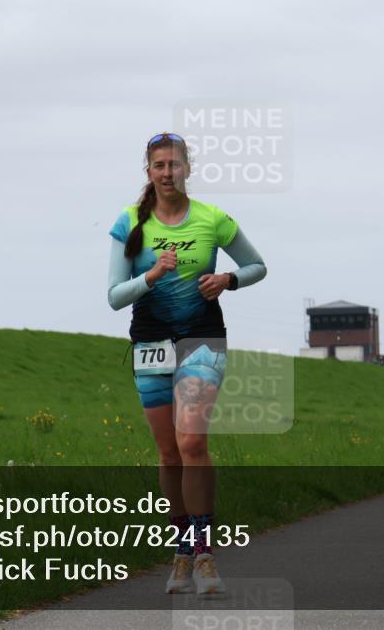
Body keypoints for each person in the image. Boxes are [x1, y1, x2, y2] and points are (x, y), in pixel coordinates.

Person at [107, 132, 267, 595]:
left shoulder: (212, 219)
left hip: (201, 339)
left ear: (187, 169)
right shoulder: (129, 223)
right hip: (151, 344)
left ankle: (205, 556)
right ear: (149, 171)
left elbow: (258, 266)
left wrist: (227, 279)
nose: (167, 172)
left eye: (175, 164)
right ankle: (181, 553)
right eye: (159, 165)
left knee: (192, 441)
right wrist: (151, 276)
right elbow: (115, 297)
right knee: (168, 453)